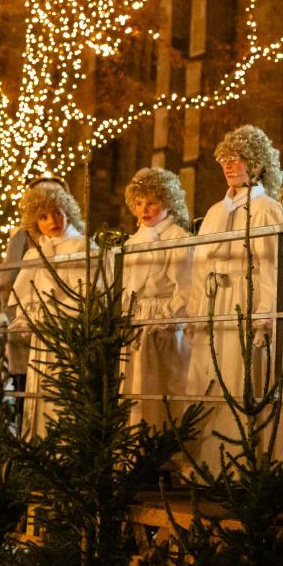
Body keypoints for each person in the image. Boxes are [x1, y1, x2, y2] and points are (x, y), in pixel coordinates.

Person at [186, 125, 283, 469]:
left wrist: (266, 316)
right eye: (225, 160)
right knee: (212, 379)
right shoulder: (215, 212)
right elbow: (200, 266)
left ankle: (249, 461)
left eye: (239, 159)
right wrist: (196, 312)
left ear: (257, 164)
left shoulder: (267, 209)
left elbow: (273, 265)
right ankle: (214, 463)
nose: (230, 166)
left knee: (243, 378)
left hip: (246, 299)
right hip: (214, 304)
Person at [11, 181, 89, 438]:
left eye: (57, 212)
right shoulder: (35, 255)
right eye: (43, 217)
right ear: (35, 223)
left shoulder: (81, 247)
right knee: (41, 388)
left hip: (69, 332)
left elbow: (85, 290)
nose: (53, 221)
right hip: (43, 335)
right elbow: (26, 295)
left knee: (66, 390)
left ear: (68, 212)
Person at [122, 167, 193, 429]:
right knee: (135, 385)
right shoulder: (132, 242)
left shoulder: (178, 238)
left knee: (164, 385)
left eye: (152, 202)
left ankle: (164, 440)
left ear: (167, 202)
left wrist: (168, 318)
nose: (145, 209)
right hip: (137, 320)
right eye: (139, 203)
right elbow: (125, 286)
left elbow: (186, 287)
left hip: (165, 323)